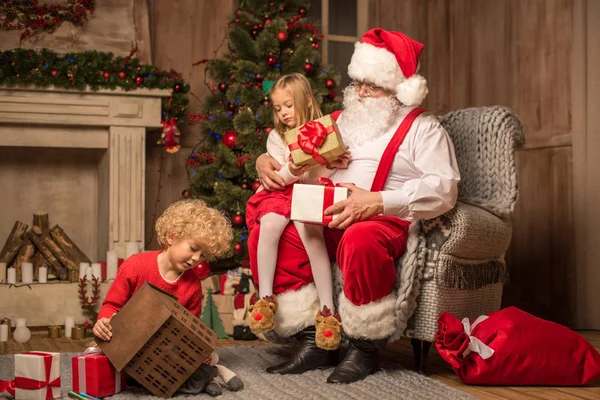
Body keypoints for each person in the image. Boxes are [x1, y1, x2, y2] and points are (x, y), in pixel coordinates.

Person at [249, 28, 461, 383]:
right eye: (359, 82)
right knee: (271, 231)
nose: (361, 92)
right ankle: (314, 337)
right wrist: (262, 160)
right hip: (324, 212)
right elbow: (291, 154)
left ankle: (365, 344)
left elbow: (445, 188)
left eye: (372, 86)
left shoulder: (422, 128)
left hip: (381, 218)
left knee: (360, 240)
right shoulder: (337, 121)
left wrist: (377, 201)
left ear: (398, 88)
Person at [245, 73, 350, 350]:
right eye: (278, 108)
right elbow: (279, 178)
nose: (283, 113)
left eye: (288, 106)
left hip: (308, 194)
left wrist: (334, 162)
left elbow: (319, 177)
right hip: (281, 191)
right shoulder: (277, 138)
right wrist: (292, 168)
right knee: (270, 224)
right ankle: (265, 298)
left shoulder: (326, 131)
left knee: (310, 232)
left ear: (304, 100)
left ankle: (328, 312)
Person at [93, 199, 232, 341]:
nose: (197, 258)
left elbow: (190, 329)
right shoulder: (135, 266)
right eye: (194, 248)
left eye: (203, 255)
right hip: (126, 339)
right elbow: (111, 305)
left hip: (163, 346)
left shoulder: (193, 285)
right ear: (171, 237)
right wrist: (104, 322)